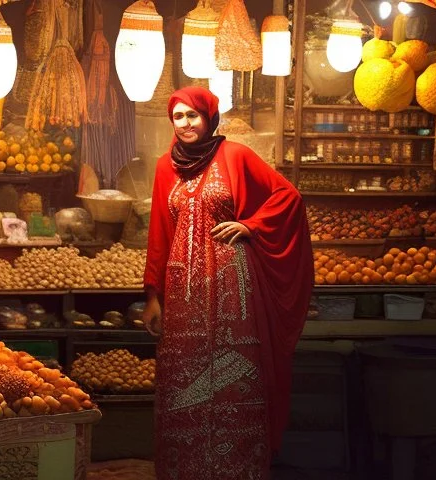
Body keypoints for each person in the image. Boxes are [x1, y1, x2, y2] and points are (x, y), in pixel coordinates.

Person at [142, 87, 313, 479]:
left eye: (193, 116)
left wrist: (250, 225)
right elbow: (159, 233)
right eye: (178, 116)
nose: (185, 124)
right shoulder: (164, 166)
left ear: (209, 117)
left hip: (232, 289)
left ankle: (238, 469)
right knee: (182, 379)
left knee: (235, 377)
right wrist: (153, 295)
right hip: (183, 291)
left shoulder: (234, 155)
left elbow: (287, 197)